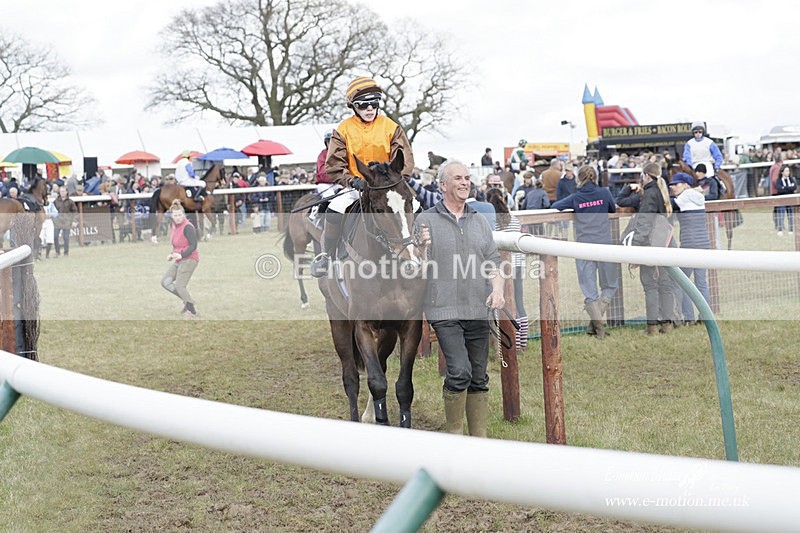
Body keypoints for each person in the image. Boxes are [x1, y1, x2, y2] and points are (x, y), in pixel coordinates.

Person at [414, 160, 505, 438]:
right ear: (443, 185)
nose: (465, 182)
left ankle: (479, 442)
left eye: (467, 178)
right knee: (460, 372)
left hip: (478, 308)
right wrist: (421, 249)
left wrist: (498, 289)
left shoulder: (479, 221)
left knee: (479, 376)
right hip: (443, 309)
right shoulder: (425, 220)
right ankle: (454, 438)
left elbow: (493, 260)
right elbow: (417, 268)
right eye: (457, 178)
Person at [310, 76, 414, 277]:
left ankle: (422, 249)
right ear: (353, 106)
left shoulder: (391, 127)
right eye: (364, 105)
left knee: (417, 207)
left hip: (389, 186)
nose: (369, 109)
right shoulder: (343, 130)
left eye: (374, 104)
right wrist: (351, 180)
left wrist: (394, 180)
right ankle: (327, 256)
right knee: (334, 210)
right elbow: (334, 164)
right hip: (356, 186)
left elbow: (404, 158)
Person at [551, 165, 618, 338]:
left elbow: (556, 205)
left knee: (589, 290)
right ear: (594, 177)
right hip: (604, 245)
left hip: (584, 247)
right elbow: (612, 208)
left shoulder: (576, 197)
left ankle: (597, 327)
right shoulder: (604, 193)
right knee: (610, 285)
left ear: (579, 179)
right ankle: (597, 326)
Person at [628, 162, 680, 335]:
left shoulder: (649, 194)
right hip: (666, 243)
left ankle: (652, 327)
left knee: (650, 286)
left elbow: (643, 223)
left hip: (651, 245)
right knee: (665, 285)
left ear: (647, 175)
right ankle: (667, 324)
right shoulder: (662, 192)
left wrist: (635, 249)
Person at [485, 188, 529, 350]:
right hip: (518, 264)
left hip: (502, 266)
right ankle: (522, 343)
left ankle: (509, 343)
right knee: (519, 303)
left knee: (502, 303)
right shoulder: (514, 219)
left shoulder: (492, 222)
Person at [668, 172, 711, 325]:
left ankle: (689, 317)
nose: (673, 187)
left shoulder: (684, 197)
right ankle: (706, 317)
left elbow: (670, 204)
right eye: (671, 185)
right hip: (703, 242)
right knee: (701, 282)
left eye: (676, 184)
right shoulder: (699, 196)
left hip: (690, 243)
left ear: (685, 185)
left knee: (683, 281)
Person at [161, 200, 200, 318]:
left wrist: (181, 255)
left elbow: (193, 245)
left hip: (189, 259)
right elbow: (176, 244)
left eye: (179, 215)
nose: (177, 218)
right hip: (179, 259)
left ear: (183, 214)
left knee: (180, 286)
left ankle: (192, 311)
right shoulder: (173, 226)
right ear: (172, 216)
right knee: (165, 282)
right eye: (175, 215)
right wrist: (172, 254)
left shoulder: (188, 227)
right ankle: (188, 300)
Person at [53, 185, 77, 257]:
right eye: (60, 191)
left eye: (63, 191)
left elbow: (75, 211)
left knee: (66, 237)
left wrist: (74, 221)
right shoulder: (56, 201)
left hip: (67, 221)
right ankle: (57, 252)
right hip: (58, 221)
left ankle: (66, 252)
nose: (62, 193)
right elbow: (53, 211)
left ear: (66, 192)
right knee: (55, 236)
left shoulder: (70, 202)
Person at [775, 164, 797, 236]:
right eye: (786, 171)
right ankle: (780, 230)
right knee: (781, 214)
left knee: (790, 215)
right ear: (782, 172)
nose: (788, 172)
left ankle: (791, 230)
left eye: (788, 171)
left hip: (790, 200)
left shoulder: (791, 179)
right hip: (782, 200)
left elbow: (794, 187)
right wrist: (788, 188)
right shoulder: (779, 180)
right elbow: (779, 189)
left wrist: (785, 188)